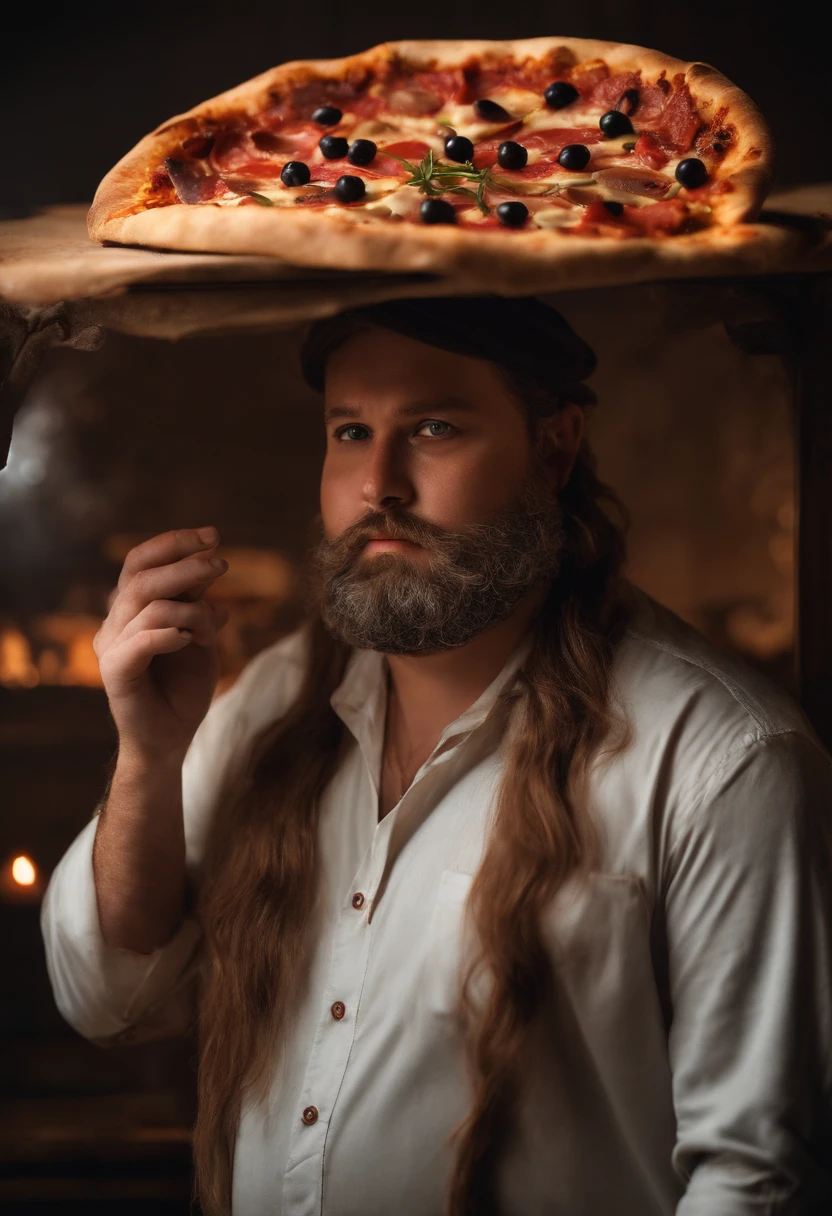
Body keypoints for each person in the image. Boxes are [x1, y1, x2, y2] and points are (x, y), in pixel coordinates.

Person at [42, 294, 832, 1216]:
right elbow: (105, 998)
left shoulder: (721, 761)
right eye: (348, 431)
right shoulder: (274, 699)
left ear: (555, 444)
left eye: (434, 427)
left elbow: (755, 1180)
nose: (379, 483)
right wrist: (149, 752)